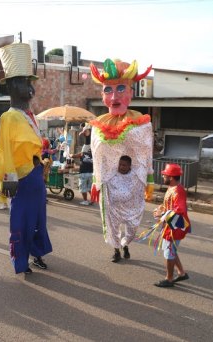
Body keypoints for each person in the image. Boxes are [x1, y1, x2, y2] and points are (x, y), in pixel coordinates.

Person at [0, 43, 53, 274]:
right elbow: (4, 153)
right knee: (21, 223)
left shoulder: (30, 116)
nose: (29, 88)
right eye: (22, 82)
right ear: (11, 86)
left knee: (39, 221)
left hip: (36, 178)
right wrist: (8, 186)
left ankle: (37, 254)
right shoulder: (8, 117)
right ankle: (21, 261)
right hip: (21, 180)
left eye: (30, 83)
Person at [89, 58, 154, 262]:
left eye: (120, 89)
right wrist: (94, 182)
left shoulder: (141, 125)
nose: (114, 96)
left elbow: (146, 153)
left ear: (130, 94)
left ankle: (126, 243)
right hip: (109, 182)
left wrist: (150, 181)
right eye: (108, 90)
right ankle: (116, 249)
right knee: (110, 220)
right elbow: (96, 156)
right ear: (102, 96)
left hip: (133, 183)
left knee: (133, 224)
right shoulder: (98, 125)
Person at [152, 163, 191, 287]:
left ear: (171, 177)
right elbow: (170, 205)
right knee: (170, 250)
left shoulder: (178, 191)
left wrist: (162, 213)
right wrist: (161, 208)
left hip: (176, 227)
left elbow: (180, 210)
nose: (163, 177)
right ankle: (181, 272)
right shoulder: (172, 188)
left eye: (165, 175)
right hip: (171, 225)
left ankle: (169, 279)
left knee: (169, 252)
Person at [70, 142, 93, 206]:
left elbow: (73, 156)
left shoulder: (83, 153)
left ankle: (85, 201)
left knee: (83, 188)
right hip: (91, 174)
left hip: (83, 173)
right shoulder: (94, 156)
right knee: (89, 188)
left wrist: (70, 155)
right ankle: (92, 199)